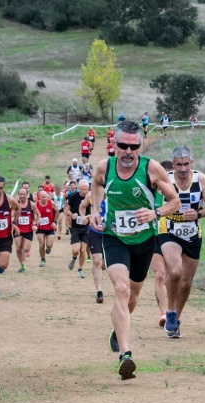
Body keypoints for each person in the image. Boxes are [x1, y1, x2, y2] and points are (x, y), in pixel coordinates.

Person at [89, 120, 180, 381]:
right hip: (114, 237)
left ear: (140, 146)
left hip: (144, 241)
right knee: (121, 288)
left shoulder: (150, 169)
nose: (128, 151)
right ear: (114, 145)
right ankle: (126, 355)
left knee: (132, 297)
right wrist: (96, 211)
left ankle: (119, 328)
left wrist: (155, 212)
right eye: (123, 146)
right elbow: (96, 184)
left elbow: (174, 201)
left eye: (134, 146)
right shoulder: (104, 168)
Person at [160, 146, 205, 338]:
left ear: (191, 163)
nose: (183, 169)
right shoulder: (165, 179)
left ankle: (176, 317)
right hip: (168, 230)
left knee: (186, 282)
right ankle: (169, 312)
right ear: (173, 164)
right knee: (175, 271)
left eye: (186, 164)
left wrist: (198, 214)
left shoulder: (201, 180)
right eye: (179, 165)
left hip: (193, 234)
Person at [150, 159, 174, 327]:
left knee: (174, 275)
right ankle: (164, 313)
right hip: (155, 236)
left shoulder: (177, 194)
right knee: (160, 274)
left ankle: (173, 310)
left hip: (173, 237)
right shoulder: (149, 192)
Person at [79, 193, 106, 304]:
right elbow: (82, 206)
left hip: (111, 233)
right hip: (95, 231)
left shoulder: (115, 192)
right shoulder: (91, 195)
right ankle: (99, 291)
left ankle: (99, 268)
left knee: (105, 265)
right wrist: (82, 217)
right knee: (97, 260)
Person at [66, 179, 91, 279]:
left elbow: (96, 210)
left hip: (86, 228)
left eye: (86, 189)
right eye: (82, 189)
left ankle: (80, 269)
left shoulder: (91, 197)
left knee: (83, 249)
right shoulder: (73, 197)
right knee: (76, 250)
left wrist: (89, 216)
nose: (84, 191)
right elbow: (66, 209)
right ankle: (73, 258)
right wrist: (72, 214)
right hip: (76, 228)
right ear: (78, 188)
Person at [14, 188, 40, 273]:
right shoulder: (15, 205)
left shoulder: (31, 204)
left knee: (25, 248)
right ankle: (22, 265)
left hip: (28, 229)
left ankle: (24, 250)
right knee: (18, 248)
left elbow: (38, 214)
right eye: (20, 194)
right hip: (18, 229)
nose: (22, 196)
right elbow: (10, 216)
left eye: (23, 194)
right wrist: (13, 221)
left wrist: (36, 224)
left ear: (26, 195)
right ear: (18, 195)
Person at [35, 190, 59, 267]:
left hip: (50, 227)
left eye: (46, 197)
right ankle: (42, 260)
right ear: (39, 197)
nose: (45, 198)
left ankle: (48, 248)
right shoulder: (36, 204)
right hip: (40, 228)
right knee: (41, 245)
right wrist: (34, 223)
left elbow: (57, 211)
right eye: (43, 197)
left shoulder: (51, 203)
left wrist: (54, 222)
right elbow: (32, 213)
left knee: (49, 244)